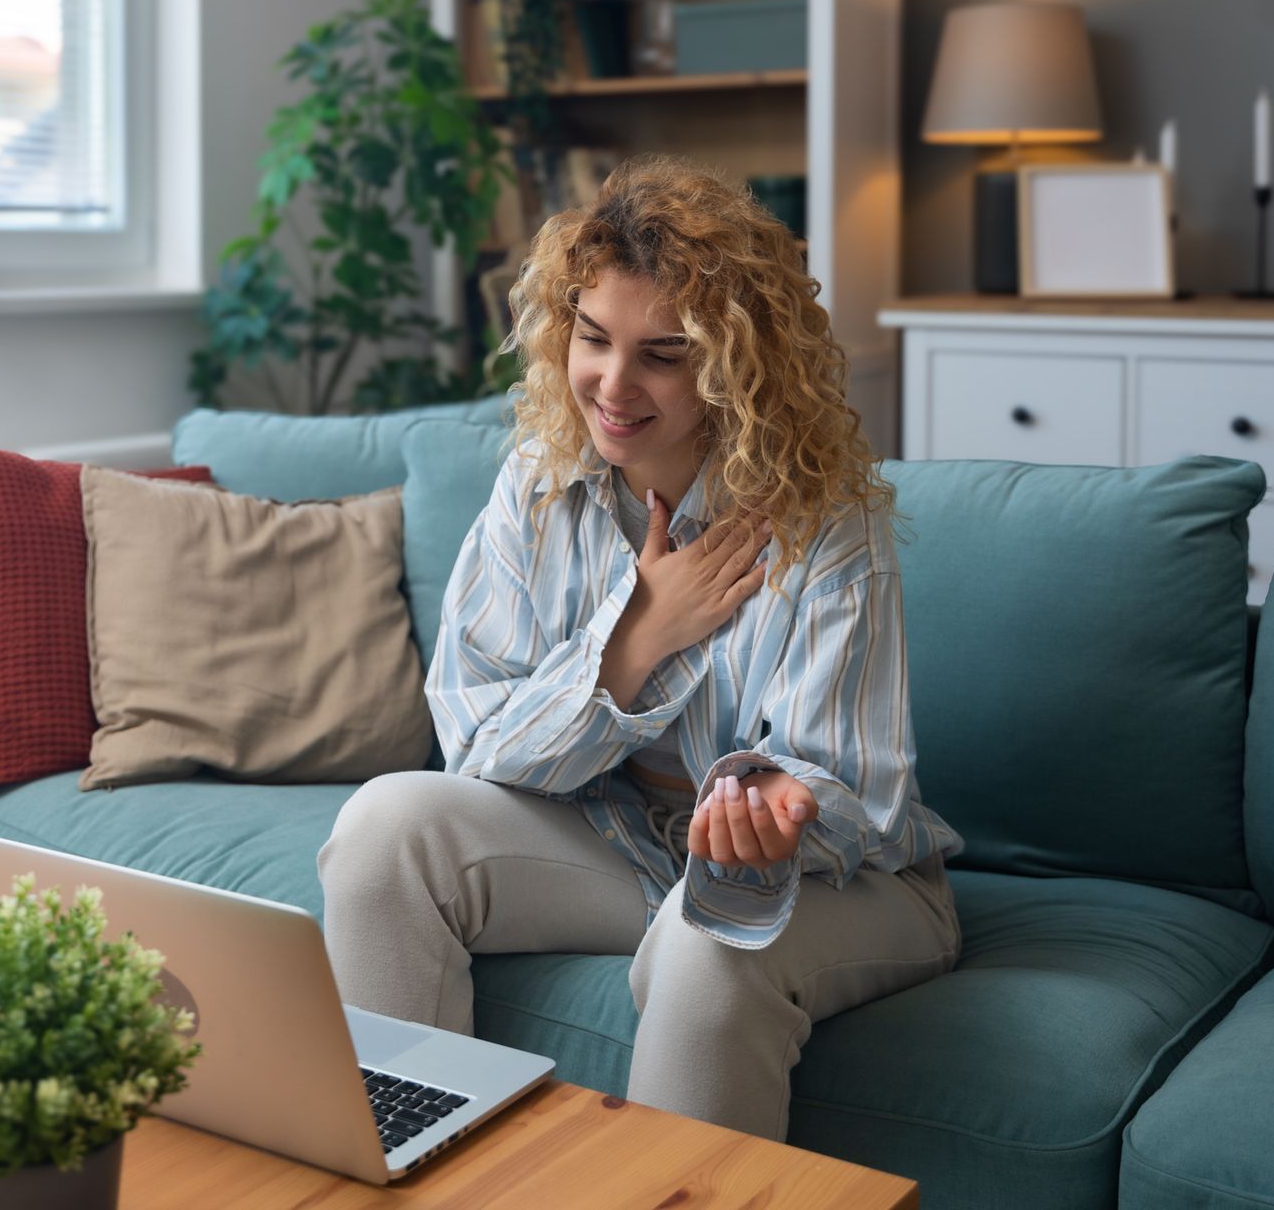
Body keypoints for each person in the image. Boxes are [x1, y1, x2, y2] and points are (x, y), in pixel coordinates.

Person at [317, 156, 965, 1142]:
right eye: (593, 338)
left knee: (711, 939)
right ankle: (395, 1162)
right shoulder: (537, 482)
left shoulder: (825, 523)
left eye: (662, 353)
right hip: (614, 841)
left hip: (839, 883)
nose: (613, 385)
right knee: (384, 828)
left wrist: (773, 805)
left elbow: (856, 796)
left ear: (734, 361)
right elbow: (477, 742)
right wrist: (633, 643)